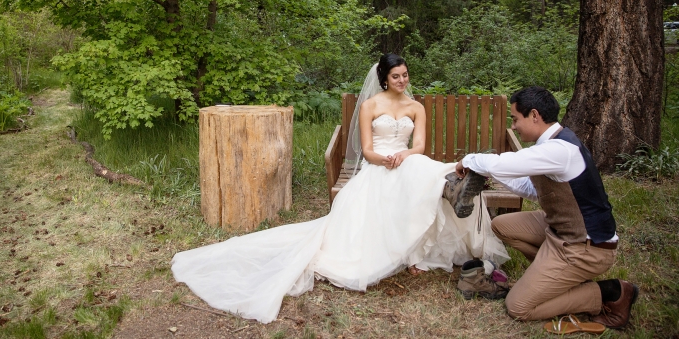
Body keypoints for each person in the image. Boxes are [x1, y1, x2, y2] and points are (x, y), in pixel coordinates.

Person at [171, 54, 508, 323]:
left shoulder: (415, 107)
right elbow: (366, 149)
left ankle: (456, 184)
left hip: (409, 162)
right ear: (384, 80)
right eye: (396, 77)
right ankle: (450, 187)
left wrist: (403, 154)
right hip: (379, 168)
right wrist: (386, 159)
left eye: (405, 75)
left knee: (422, 166)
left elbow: (418, 146)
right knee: (421, 175)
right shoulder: (371, 106)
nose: (403, 81)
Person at [454, 86, 637, 330]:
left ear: (535, 115)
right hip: (559, 231)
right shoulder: (552, 144)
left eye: (516, 119)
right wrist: (484, 172)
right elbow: (529, 188)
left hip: (585, 246)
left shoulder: (559, 150)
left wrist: (468, 160)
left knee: (518, 307)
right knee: (501, 225)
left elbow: (504, 162)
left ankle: (609, 291)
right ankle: (551, 275)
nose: (515, 125)